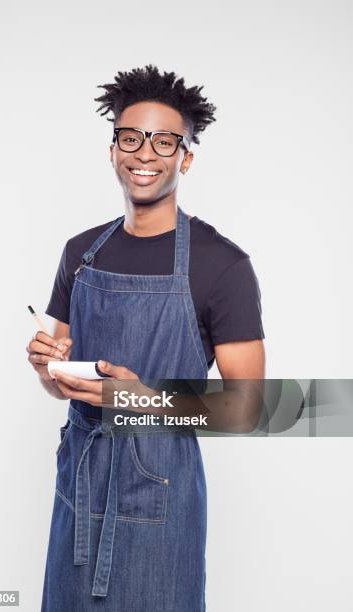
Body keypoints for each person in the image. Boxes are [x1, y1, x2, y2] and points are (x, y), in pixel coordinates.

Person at [27, 64, 265, 611]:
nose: (144, 153)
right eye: (130, 138)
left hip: (161, 488)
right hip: (79, 485)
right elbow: (61, 384)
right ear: (112, 150)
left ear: (186, 157)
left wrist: (140, 401)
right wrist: (46, 368)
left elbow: (252, 409)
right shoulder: (80, 253)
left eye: (164, 141)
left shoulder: (221, 264)